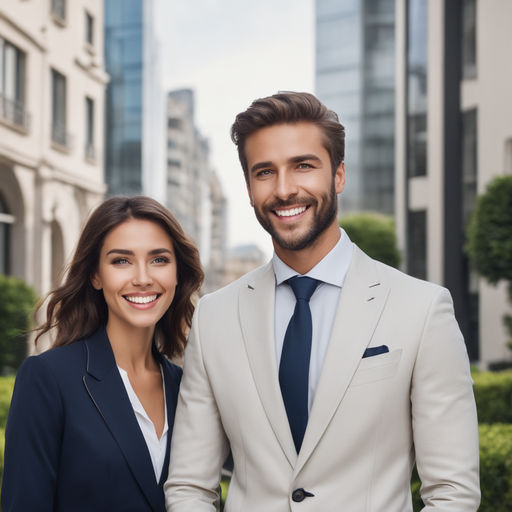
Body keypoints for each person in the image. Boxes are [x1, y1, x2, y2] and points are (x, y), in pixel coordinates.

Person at [164, 92, 480, 511]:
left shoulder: (422, 309)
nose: (284, 189)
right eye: (265, 172)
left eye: (303, 166)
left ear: (339, 175)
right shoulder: (214, 316)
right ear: (249, 188)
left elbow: (453, 492)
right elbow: (190, 487)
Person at [2, 196, 203, 512]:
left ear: (178, 273)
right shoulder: (48, 379)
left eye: (159, 259)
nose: (142, 277)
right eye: (121, 260)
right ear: (95, 275)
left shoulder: (188, 388)